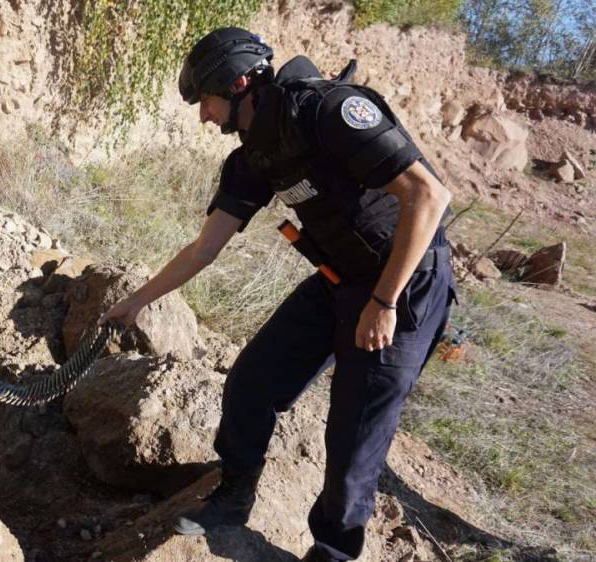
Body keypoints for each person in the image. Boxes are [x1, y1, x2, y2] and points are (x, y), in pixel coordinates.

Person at [100, 28, 457, 562]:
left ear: (239, 84)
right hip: (340, 280)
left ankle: (333, 552)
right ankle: (235, 493)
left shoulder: (328, 111)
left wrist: (383, 302)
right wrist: (137, 301)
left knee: (355, 433)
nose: (203, 117)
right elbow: (203, 248)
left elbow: (430, 196)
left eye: (207, 101)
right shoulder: (254, 158)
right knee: (251, 381)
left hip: (404, 285)